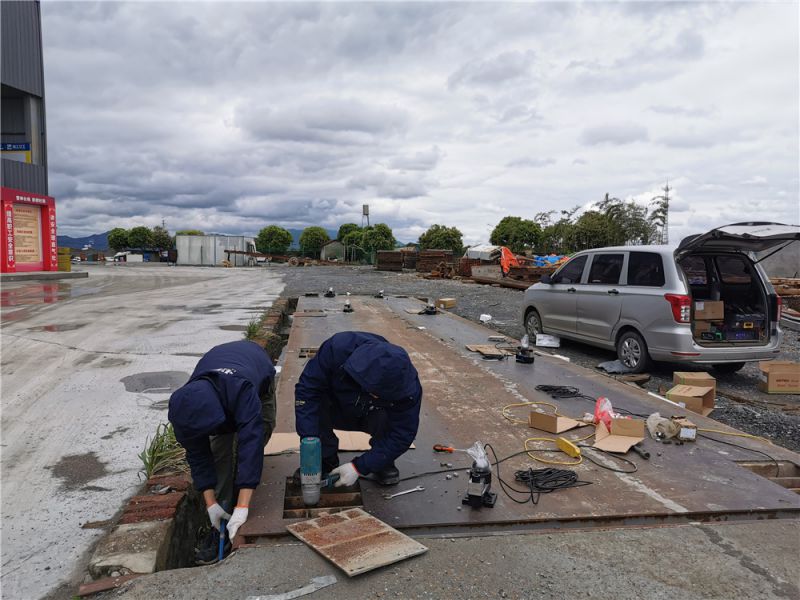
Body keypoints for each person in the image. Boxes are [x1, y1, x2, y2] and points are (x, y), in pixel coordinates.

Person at [168, 340, 276, 564]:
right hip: (219, 370)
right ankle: (220, 522)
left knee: (260, 433)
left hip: (255, 370)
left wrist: (243, 506)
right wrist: (211, 505)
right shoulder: (185, 405)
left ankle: (240, 498)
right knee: (220, 453)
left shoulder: (242, 390)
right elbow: (198, 456)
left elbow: (251, 443)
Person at [295, 331, 422, 487]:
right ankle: (324, 460)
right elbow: (307, 395)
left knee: (389, 418)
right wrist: (312, 448)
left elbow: (402, 433)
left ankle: (382, 462)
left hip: (371, 413)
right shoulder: (337, 349)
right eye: (375, 393)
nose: (376, 396)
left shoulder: (408, 387)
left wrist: (359, 467)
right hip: (336, 405)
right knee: (314, 404)